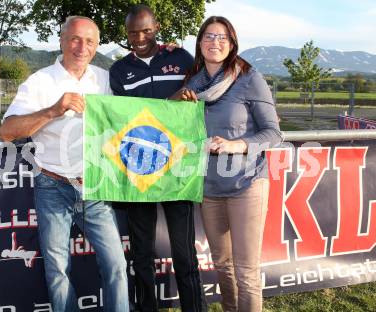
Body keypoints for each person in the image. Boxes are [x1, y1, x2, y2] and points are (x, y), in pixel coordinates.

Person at [0, 16, 128, 312]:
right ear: (61, 40)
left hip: (94, 187)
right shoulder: (40, 81)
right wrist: (53, 110)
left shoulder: (105, 79)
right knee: (58, 269)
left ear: (97, 46)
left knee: (117, 265)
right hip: (52, 185)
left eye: (90, 41)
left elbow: (136, 111)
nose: (81, 47)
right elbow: (7, 132)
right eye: (75, 39)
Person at [173, 16, 283, 312]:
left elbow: (274, 133)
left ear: (232, 44)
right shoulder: (192, 84)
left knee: (246, 272)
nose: (215, 42)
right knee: (222, 265)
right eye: (208, 36)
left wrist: (238, 145)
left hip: (247, 184)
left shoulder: (249, 77)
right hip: (208, 187)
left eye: (222, 37)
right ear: (199, 43)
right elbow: (172, 125)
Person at [109, 4, 207, 312]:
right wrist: (169, 101)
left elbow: (201, 94)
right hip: (139, 171)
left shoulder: (180, 58)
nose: (139, 38)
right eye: (132, 32)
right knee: (142, 254)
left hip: (176, 168)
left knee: (184, 252)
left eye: (146, 30)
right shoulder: (119, 70)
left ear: (158, 27)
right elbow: (122, 121)